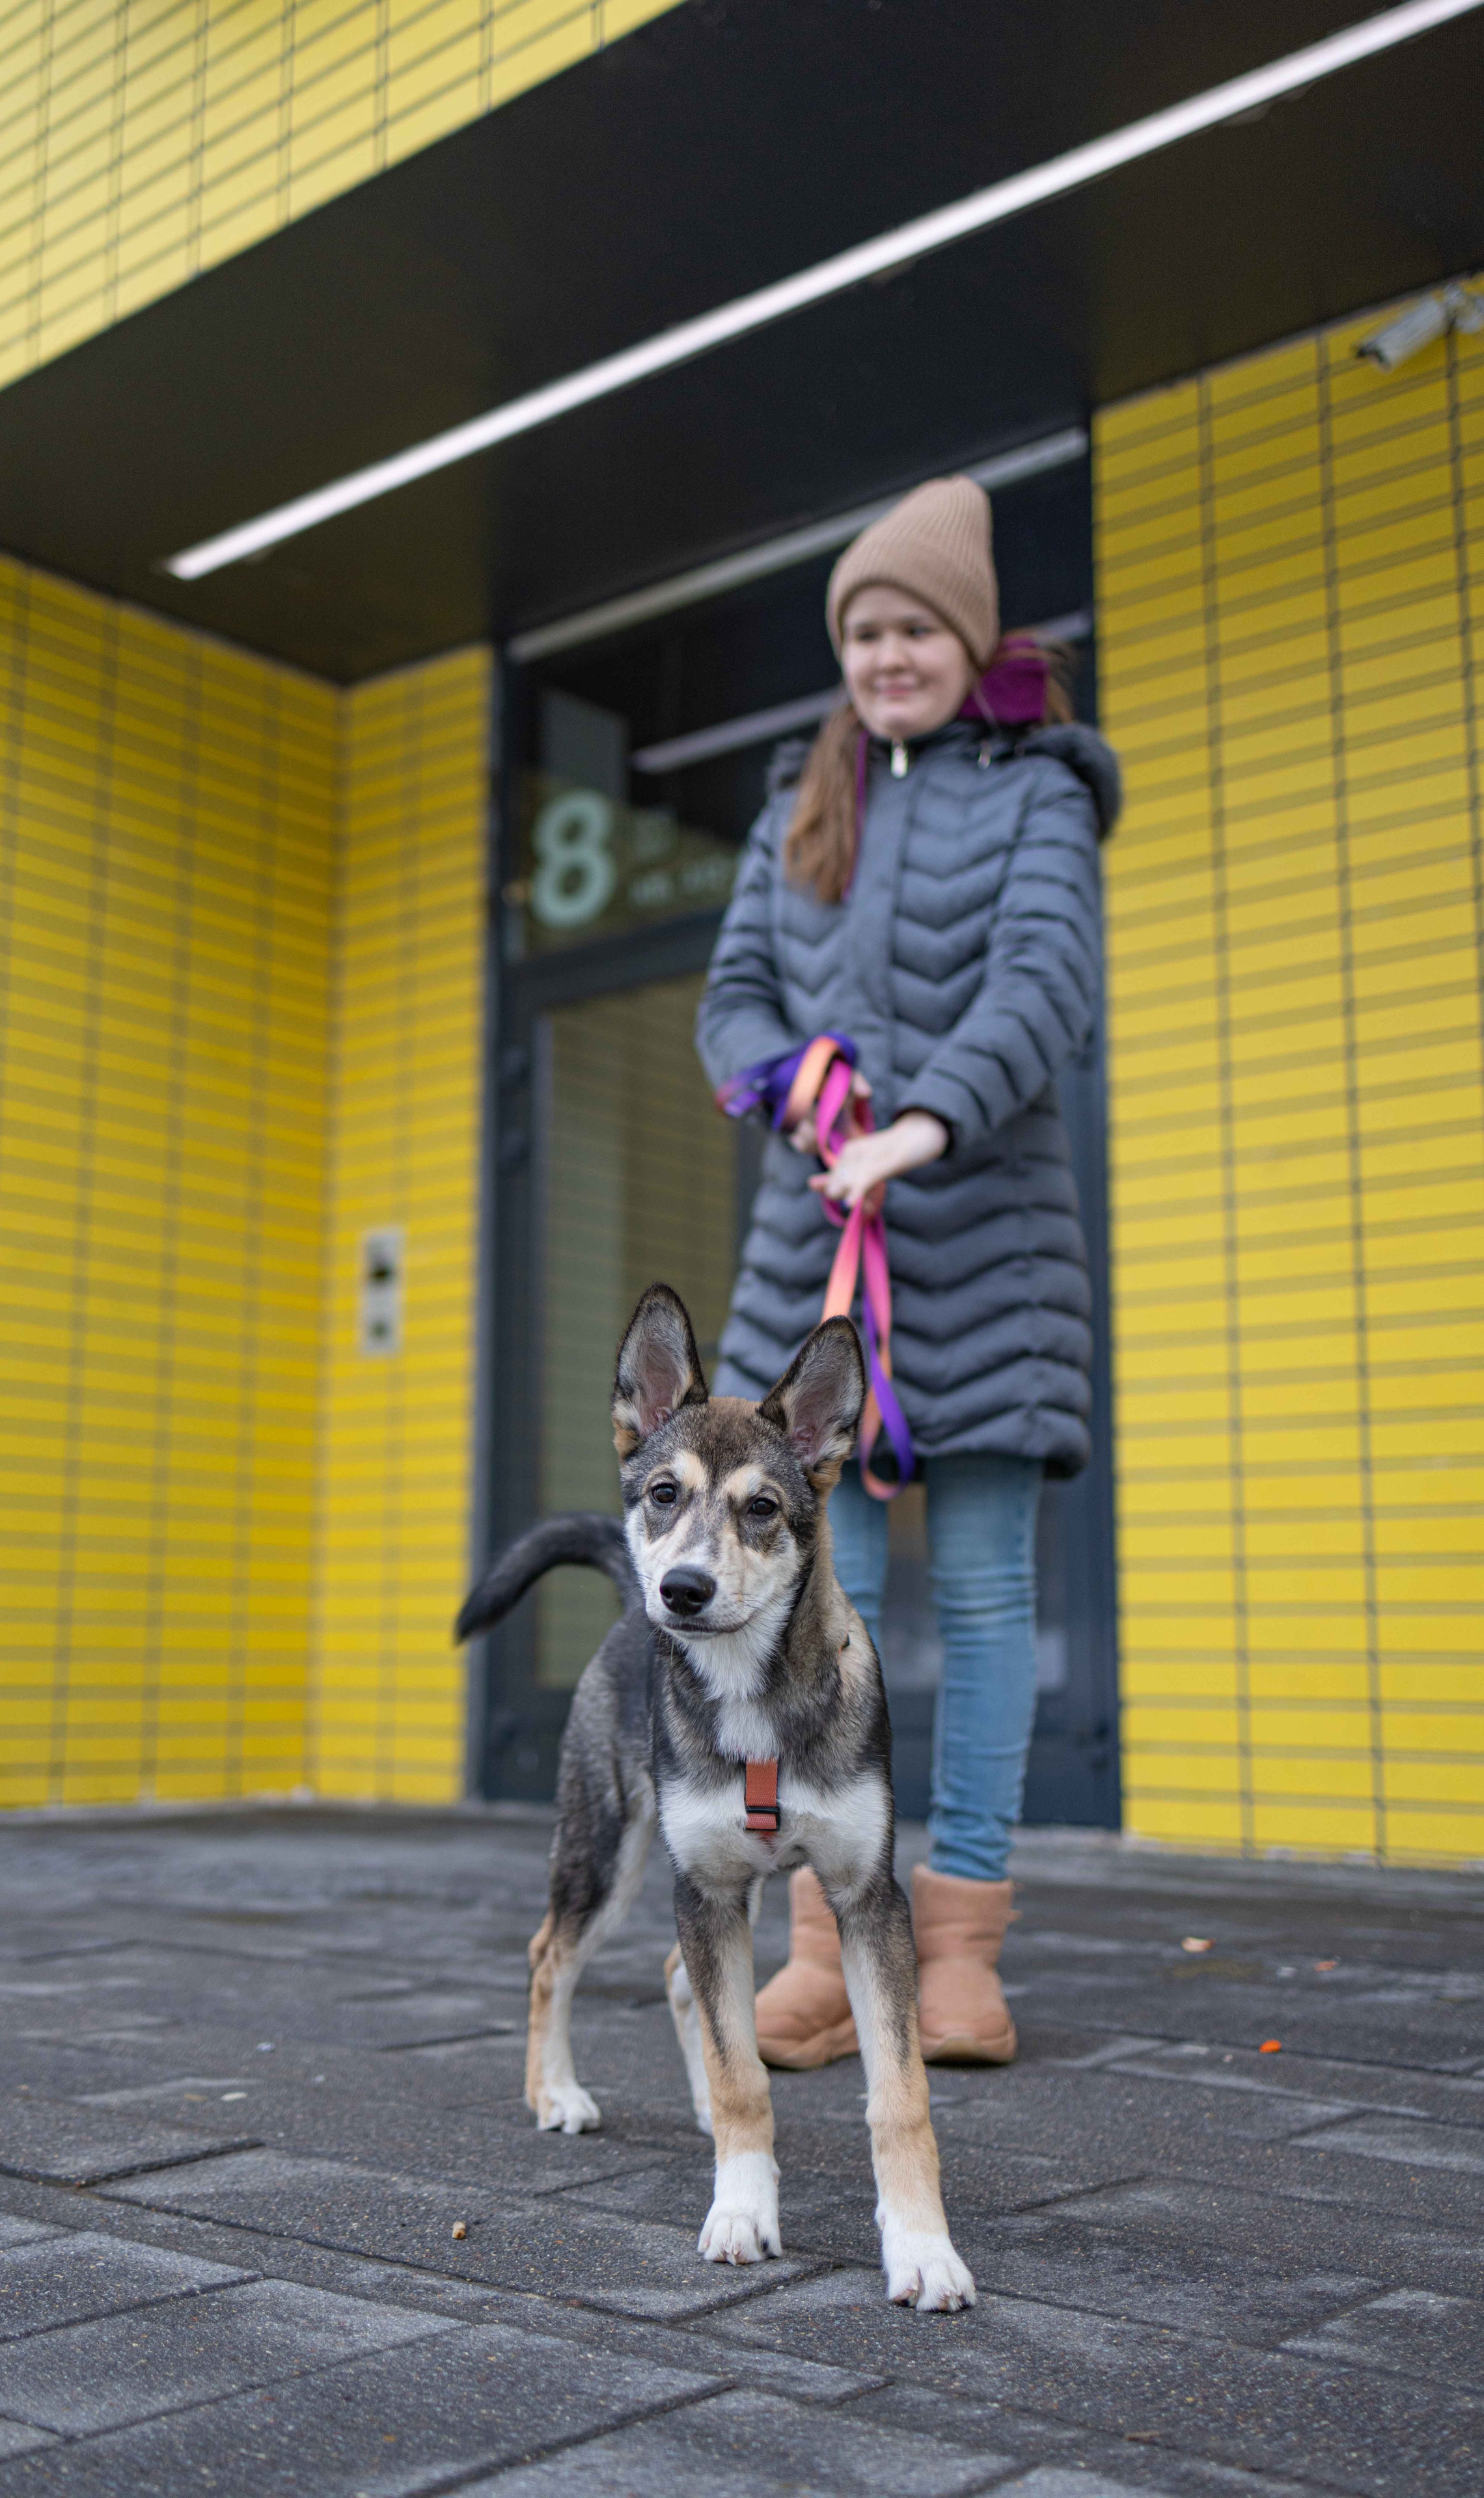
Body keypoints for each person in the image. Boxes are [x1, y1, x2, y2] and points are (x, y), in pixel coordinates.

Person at [694, 473, 1120, 2067]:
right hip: (817, 1254)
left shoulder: (1039, 791)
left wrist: (918, 1125)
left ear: (966, 639)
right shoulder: (800, 803)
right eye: (862, 631)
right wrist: (789, 1079)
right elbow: (729, 989)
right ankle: (827, 1936)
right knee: (815, 1603)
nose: (886, 655)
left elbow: (1041, 981)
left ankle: (962, 1948)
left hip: (984, 1241)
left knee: (989, 1594)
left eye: (913, 628)